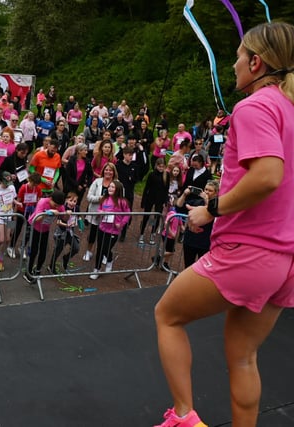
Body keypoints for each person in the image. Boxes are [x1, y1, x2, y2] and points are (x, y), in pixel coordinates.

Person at [154, 22, 294, 427]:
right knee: (244, 357)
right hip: (285, 259)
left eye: (237, 56)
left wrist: (211, 209)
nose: (232, 64)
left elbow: (267, 176)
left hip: (251, 249)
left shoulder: (255, 106)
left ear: (256, 62)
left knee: (168, 315)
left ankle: (184, 417)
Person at [23, 190, 68, 283]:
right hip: (34, 228)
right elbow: (37, 218)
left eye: (58, 206)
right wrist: (48, 212)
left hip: (45, 229)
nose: (57, 207)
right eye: (55, 205)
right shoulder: (43, 202)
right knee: (34, 251)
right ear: (50, 199)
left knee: (43, 251)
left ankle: (38, 270)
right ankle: (28, 272)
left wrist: (67, 213)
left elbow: (64, 217)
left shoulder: (60, 205)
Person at [89, 180, 130, 280]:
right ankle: (96, 269)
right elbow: (100, 209)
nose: (110, 189)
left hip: (113, 230)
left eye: (113, 187)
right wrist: (100, 212)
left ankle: (109, 260)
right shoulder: (105, 198)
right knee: (99, 249)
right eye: (109, 187)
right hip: (102, 227)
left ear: (118, 189)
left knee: (106, 249)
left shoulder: (122, 201)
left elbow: (128, 214)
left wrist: (121, 224)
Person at [84, 163, 118, 262]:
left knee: (106, 237)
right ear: (103, 171)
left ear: (114, 172)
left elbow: (120, 200)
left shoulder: (117, 183)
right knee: (93, 234)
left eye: (110, 170)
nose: (108, 172)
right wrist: (100, 199)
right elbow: (89, 197)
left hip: (108, 216)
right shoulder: (97, 182)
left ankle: (104, 253)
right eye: (106, 170)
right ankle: (88, 251)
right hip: (96, 213)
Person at [48, 192, 80, 273]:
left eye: (75, 201)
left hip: (71, 232)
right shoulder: (62, 208)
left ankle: (66, 258)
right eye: (71, 200)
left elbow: (78, 218)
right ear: (66, 200)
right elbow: (58, 222)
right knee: (58, 249)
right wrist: (67, 225)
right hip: (61, 232)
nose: (72, 203)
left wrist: (79, 223)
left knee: (76, 248)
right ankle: (51, 265)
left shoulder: (77, 208)